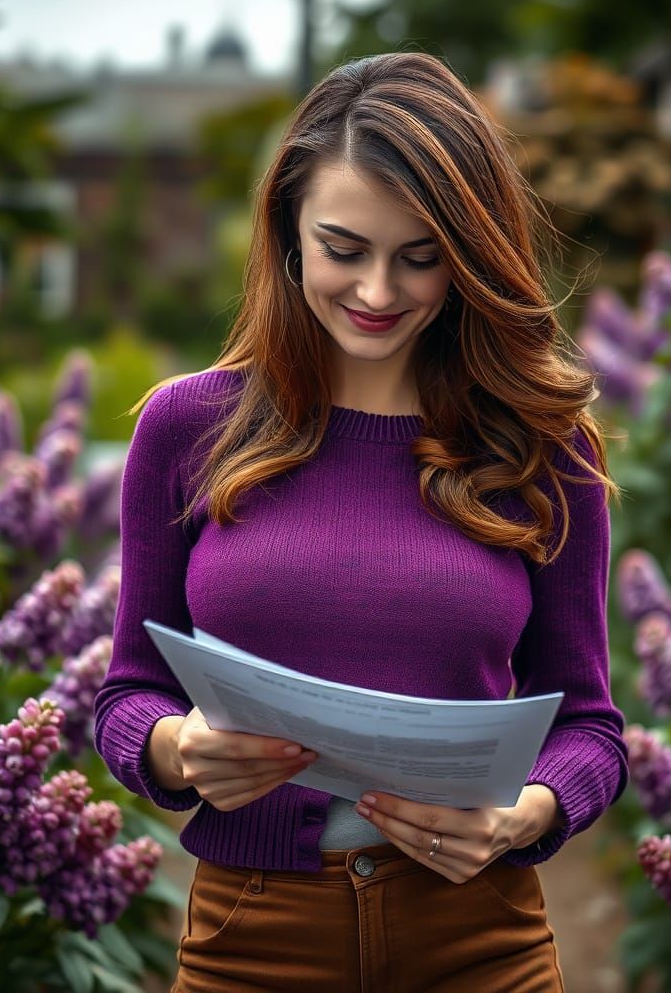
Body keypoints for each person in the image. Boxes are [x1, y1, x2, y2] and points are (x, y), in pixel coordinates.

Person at [93, 50, 629, 993]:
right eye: (344, 250)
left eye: (420, 259)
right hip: (253, 938)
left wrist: (529, 813)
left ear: (467, 257)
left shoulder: (547, 447)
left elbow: (589, 726)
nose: (378, 293)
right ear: (288, 233)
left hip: (481, 939)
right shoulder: (186, 427)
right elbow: (128, 696)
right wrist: (178, 750)